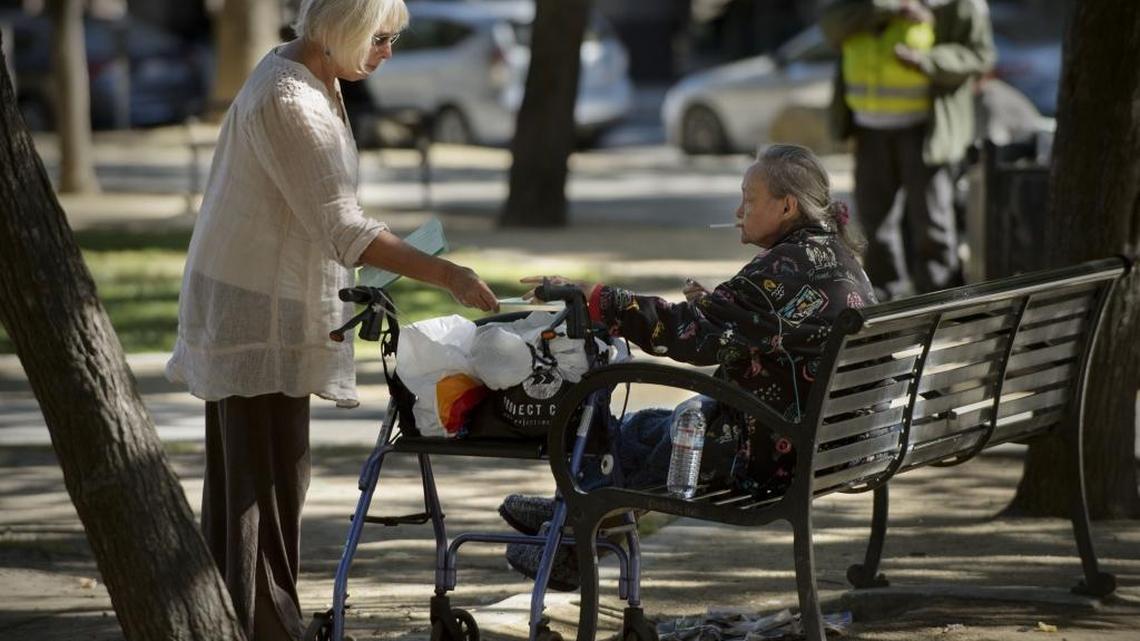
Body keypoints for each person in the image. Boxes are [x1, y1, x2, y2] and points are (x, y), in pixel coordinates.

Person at [165, 1, 499, 638]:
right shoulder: (291, 98)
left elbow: (325, 211)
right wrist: (448, 275)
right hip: (252, 310)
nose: (388, 53)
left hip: (273, 300)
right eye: (380, 39)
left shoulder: (320, 78)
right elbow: (344, 227)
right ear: (342, 29)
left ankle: (248, 620)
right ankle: (260, 624)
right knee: (257, 490)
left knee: (274, 479)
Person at [499, 144, 878, 590]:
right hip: (830, 442)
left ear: (788, 205)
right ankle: (570, 511)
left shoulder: (784, 266)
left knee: (655, 436)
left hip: (774, 455)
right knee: (645, 429)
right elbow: (753, 329)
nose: (739, 209)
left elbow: (687, 335)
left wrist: (598, 298)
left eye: (749, 199)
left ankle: (571, 536)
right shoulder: (834, 257)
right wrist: (717, 309)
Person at [820, 0, 995, 300]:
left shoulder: (958, 5)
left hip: (924, 131)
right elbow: (831, 27)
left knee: (932, 223)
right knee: (876, 225)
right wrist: (891, 7)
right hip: (869, 128)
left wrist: (927, 61)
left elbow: (980, 56)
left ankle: (941, 300)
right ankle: (885, 298)